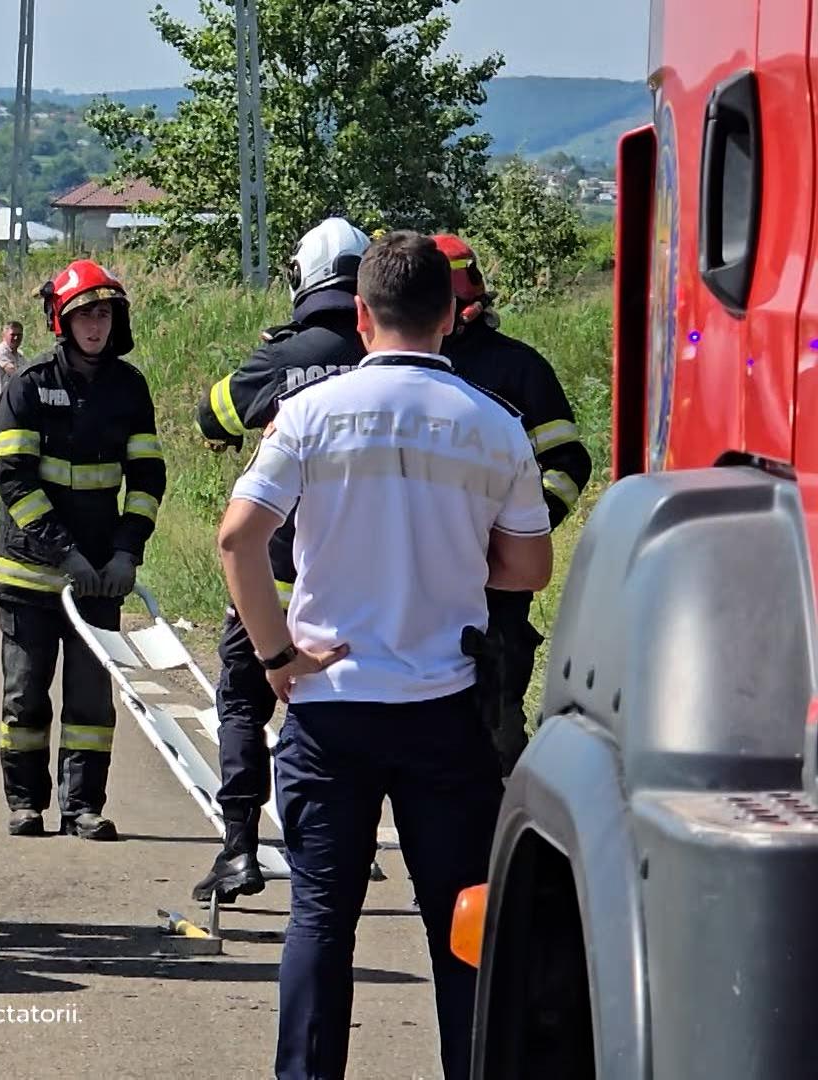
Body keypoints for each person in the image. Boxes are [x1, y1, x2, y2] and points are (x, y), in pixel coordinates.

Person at [215, 232, 553, 1080]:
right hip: (445, 706)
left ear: (362, 316)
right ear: (450, 316)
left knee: (321, 919)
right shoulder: (494, 423)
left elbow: (238, 540)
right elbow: (528, 567)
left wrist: (277, 656)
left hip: (330, 706)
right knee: (458, 922)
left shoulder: (309, 413)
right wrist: (453, 555)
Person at [190, 217, 370, 904]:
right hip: (354, 578)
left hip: (271, 575)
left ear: (303, 277)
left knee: (243, 701)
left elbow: (212, 417)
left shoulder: (283, 358)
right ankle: (341, 846)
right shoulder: (382, 355)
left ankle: (239, 849)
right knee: (345, 706)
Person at [0, 259, 165, 841]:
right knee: (24, 697)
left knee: (92, 701)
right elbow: (14, 480)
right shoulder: (28, 386)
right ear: (62, 322)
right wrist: (63, 552)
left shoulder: (129, 388)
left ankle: (83, 806)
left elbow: (147, 479)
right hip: (32, 572)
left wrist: (126, 553)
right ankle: (25, 803)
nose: (96, 325)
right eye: (85, 315)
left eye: (105, 315)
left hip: (99, 577)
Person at [434, 234, 593, 772]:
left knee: (496, 723)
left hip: (495, 584)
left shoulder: (518, 369)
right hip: (420, 583)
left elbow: (567, 463)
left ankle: (503, 812)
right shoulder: (397, 366)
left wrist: (522, 531)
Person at [0, 319, 26, 421]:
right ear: (4, 335)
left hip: (13, 403)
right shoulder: (0, 352)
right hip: (0, 404)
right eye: (12, 335)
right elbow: (15, 374)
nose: (16, 338)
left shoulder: (20, 355)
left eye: (19, 335)